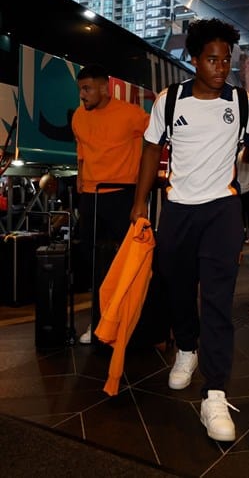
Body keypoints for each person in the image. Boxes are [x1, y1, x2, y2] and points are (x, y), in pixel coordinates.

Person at [129, 18, 249, 442]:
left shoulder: (241, 102)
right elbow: (150, 148)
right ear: (194, 60)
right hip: (178, 210)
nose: (220, 68)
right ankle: (186, 347)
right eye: (212, 60)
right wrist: (140, 202)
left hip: (222, 209)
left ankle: (215, 393)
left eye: (226, 60)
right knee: (177, 286)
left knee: (217, 300)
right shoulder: (170, 100)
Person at [71, 63, 150, 344]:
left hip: (122, 196)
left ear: (105, 88)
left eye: (87, 88)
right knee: (95, 266)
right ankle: (98, 324)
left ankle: (131, 324)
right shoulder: (79, 116)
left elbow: (156, 139)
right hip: (90, 198)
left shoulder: (130, 114)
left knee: (127, 263)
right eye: (81, 89)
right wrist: (81, 178)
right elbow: (81, 153)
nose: (82, 95)